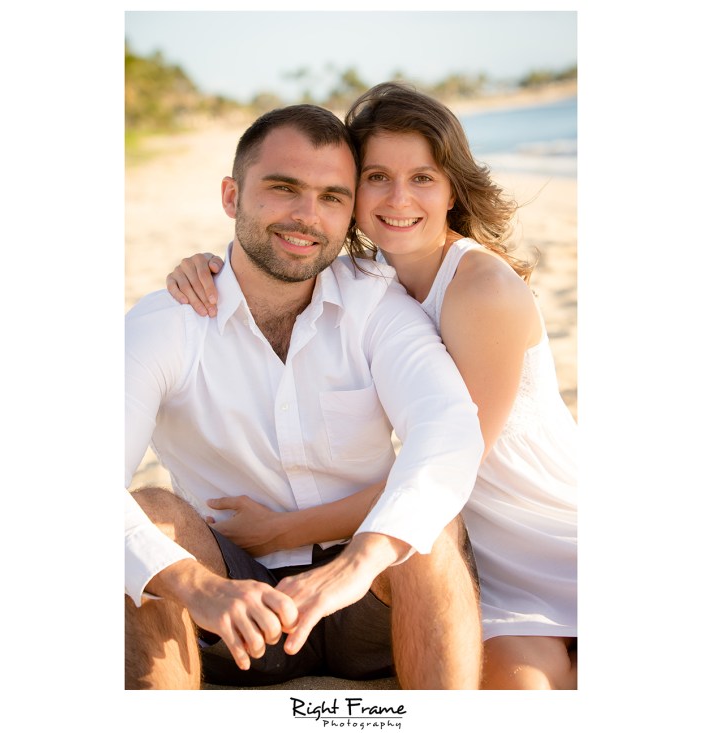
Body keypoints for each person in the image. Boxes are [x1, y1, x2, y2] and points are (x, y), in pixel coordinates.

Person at [166, 82, 578, 690]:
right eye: (377, 177)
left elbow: (453, 464)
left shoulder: (480, 288)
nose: (398, 198)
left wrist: (284, 530)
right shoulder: (366, 276)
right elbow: (275, 260)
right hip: (463, 552)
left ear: (453, 189)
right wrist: (205, 268)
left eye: (423, 178)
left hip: (541, 529)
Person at [125, 103, 487, 690]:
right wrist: (198, 586)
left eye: (332, 197)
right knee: (150, 516)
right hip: (231, 608)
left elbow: (448, 429)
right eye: (283, 188)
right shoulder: (167, 323)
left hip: (369, 595)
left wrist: (362, 559)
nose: (306, 216)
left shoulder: (375, 303)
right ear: (231, 196)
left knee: (428, 525)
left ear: (350, 212)